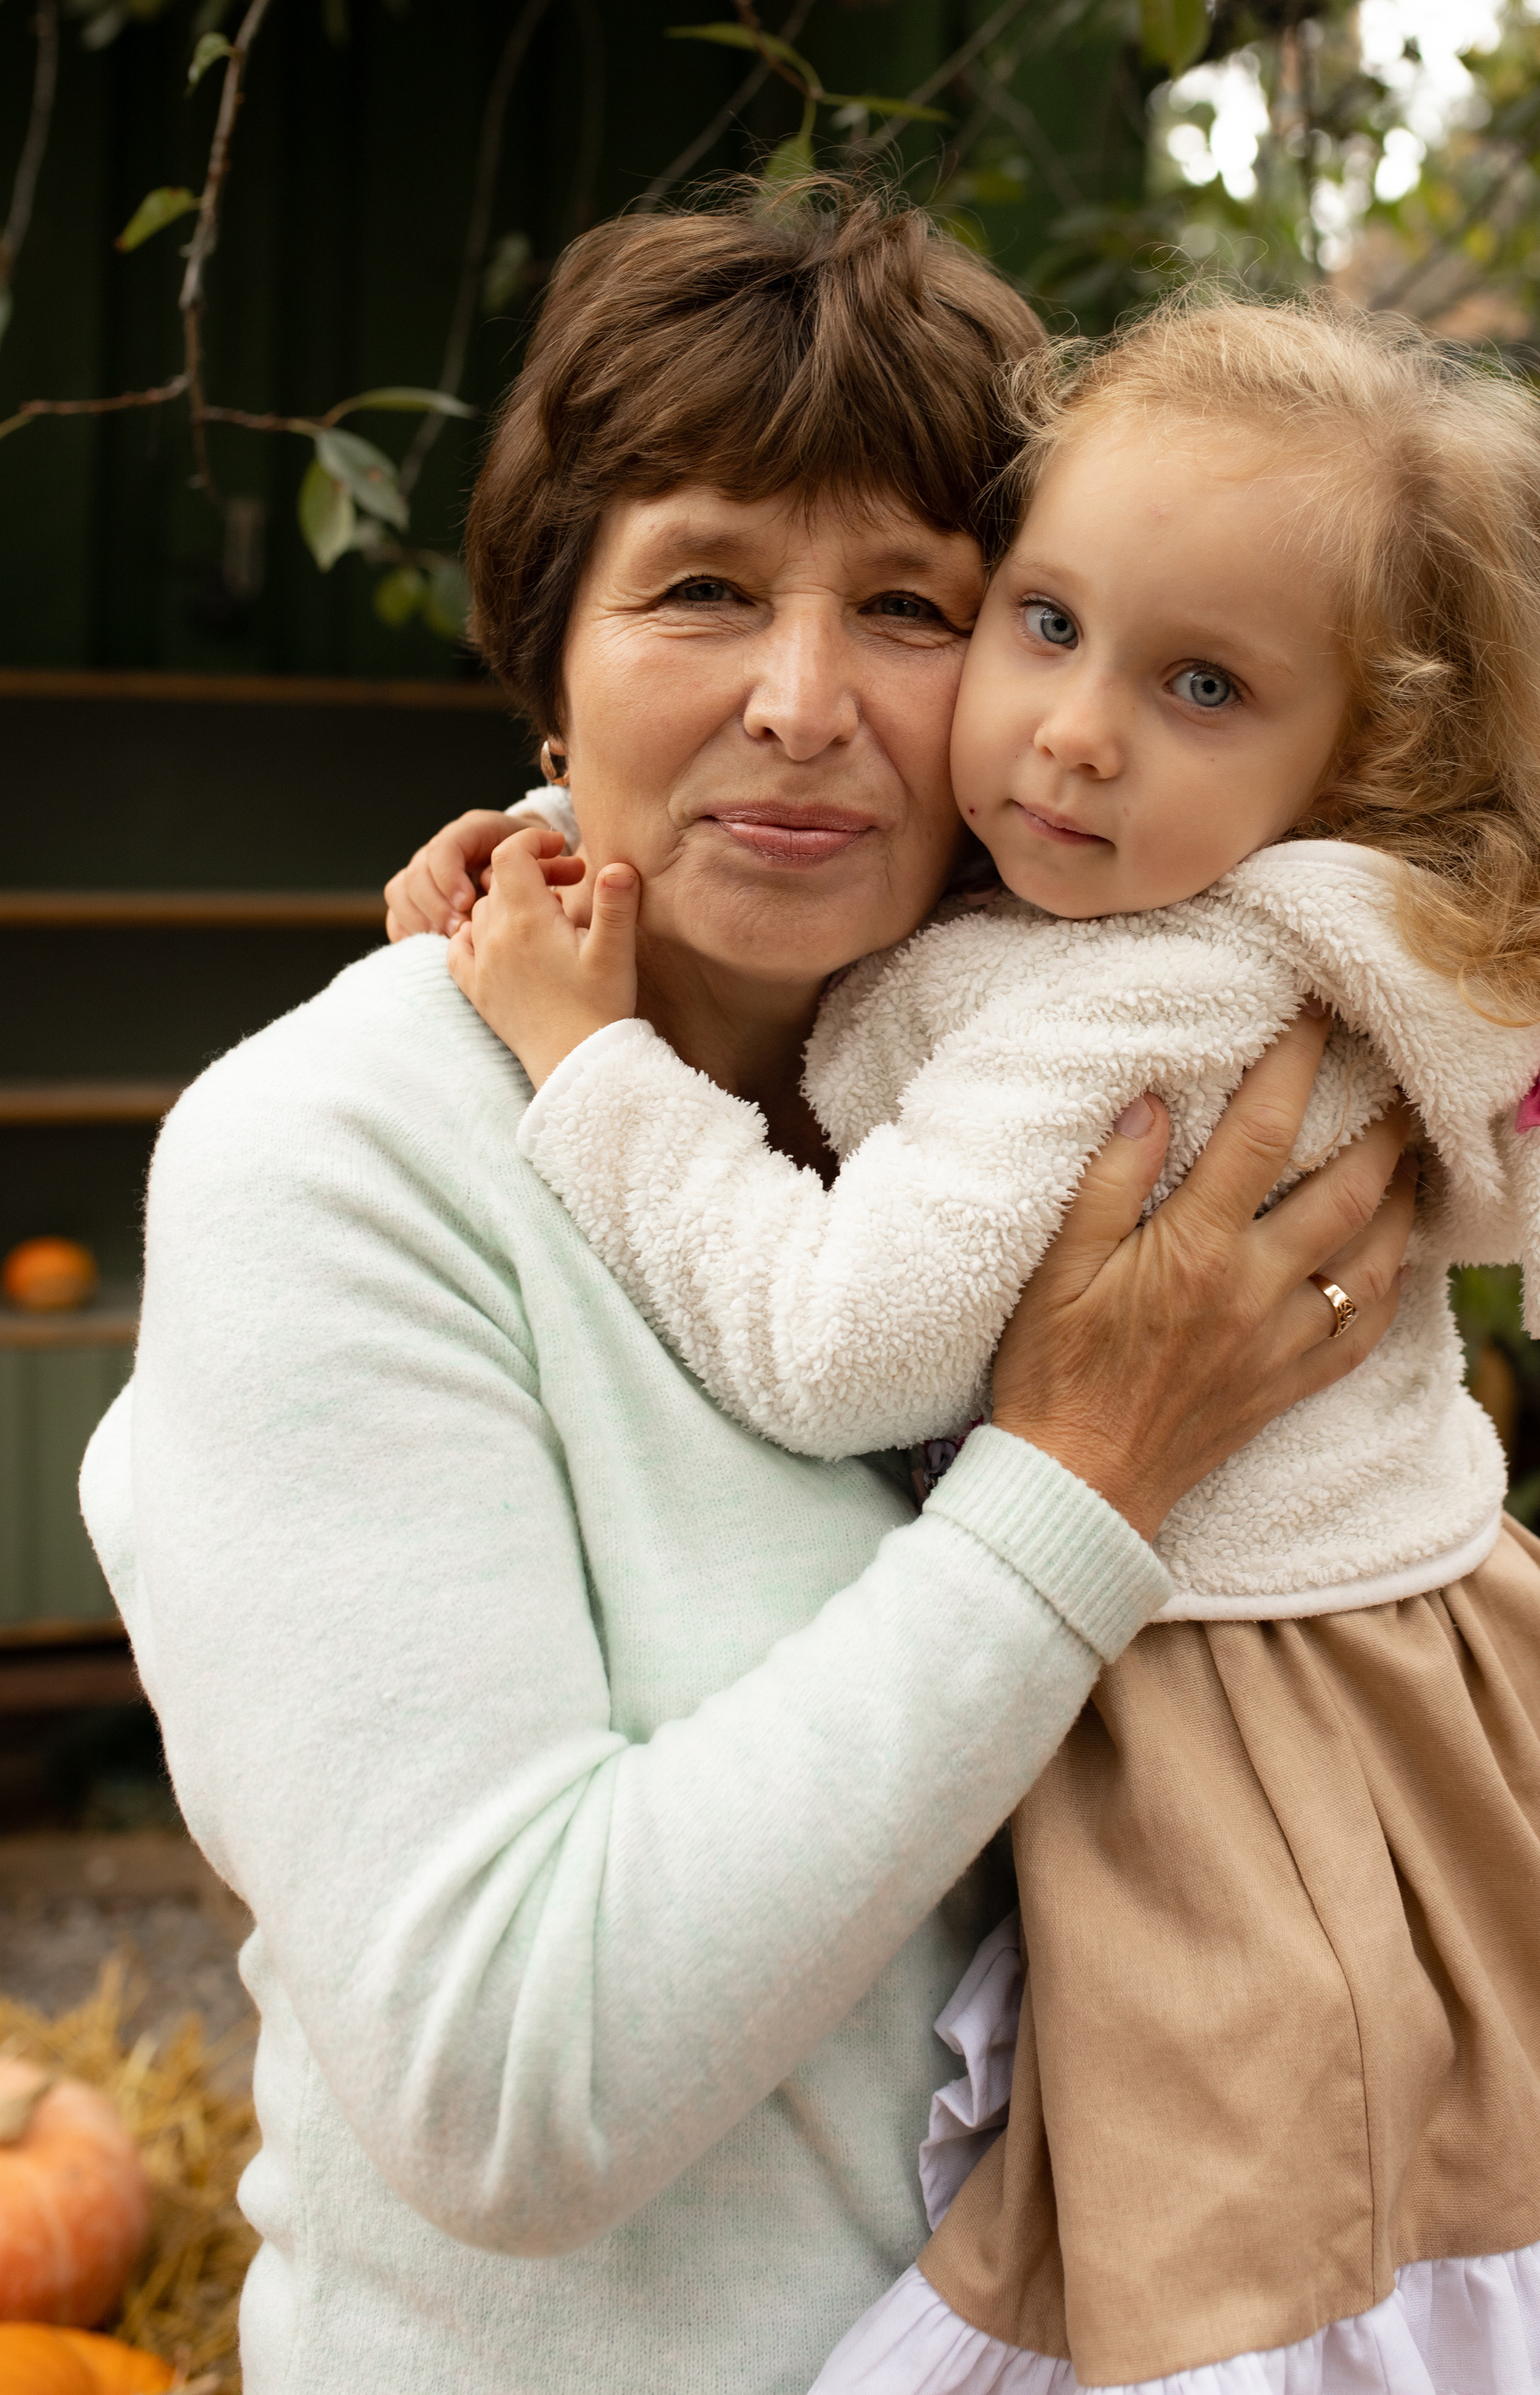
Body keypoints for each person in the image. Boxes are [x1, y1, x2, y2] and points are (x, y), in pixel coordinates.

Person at [79, 190, 1415, 2395]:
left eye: (912, 605)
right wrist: (1081, 1476)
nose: (804, 707)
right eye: (700, 589)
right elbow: (506, 2083)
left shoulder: (1052, 1077)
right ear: (552, 652)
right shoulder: (333, 1163)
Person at [427, 291, 1540, 2395]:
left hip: (1241, 1735)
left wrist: (580, 1058)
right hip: (1408, 1656)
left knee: (1210, 2286)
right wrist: (567, 843)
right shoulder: (1174, 909)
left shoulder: (1136, 1008)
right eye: (1045, 625)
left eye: (1200, 683)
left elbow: (838, 1347)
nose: (1079, 735)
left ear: (1357, 758)